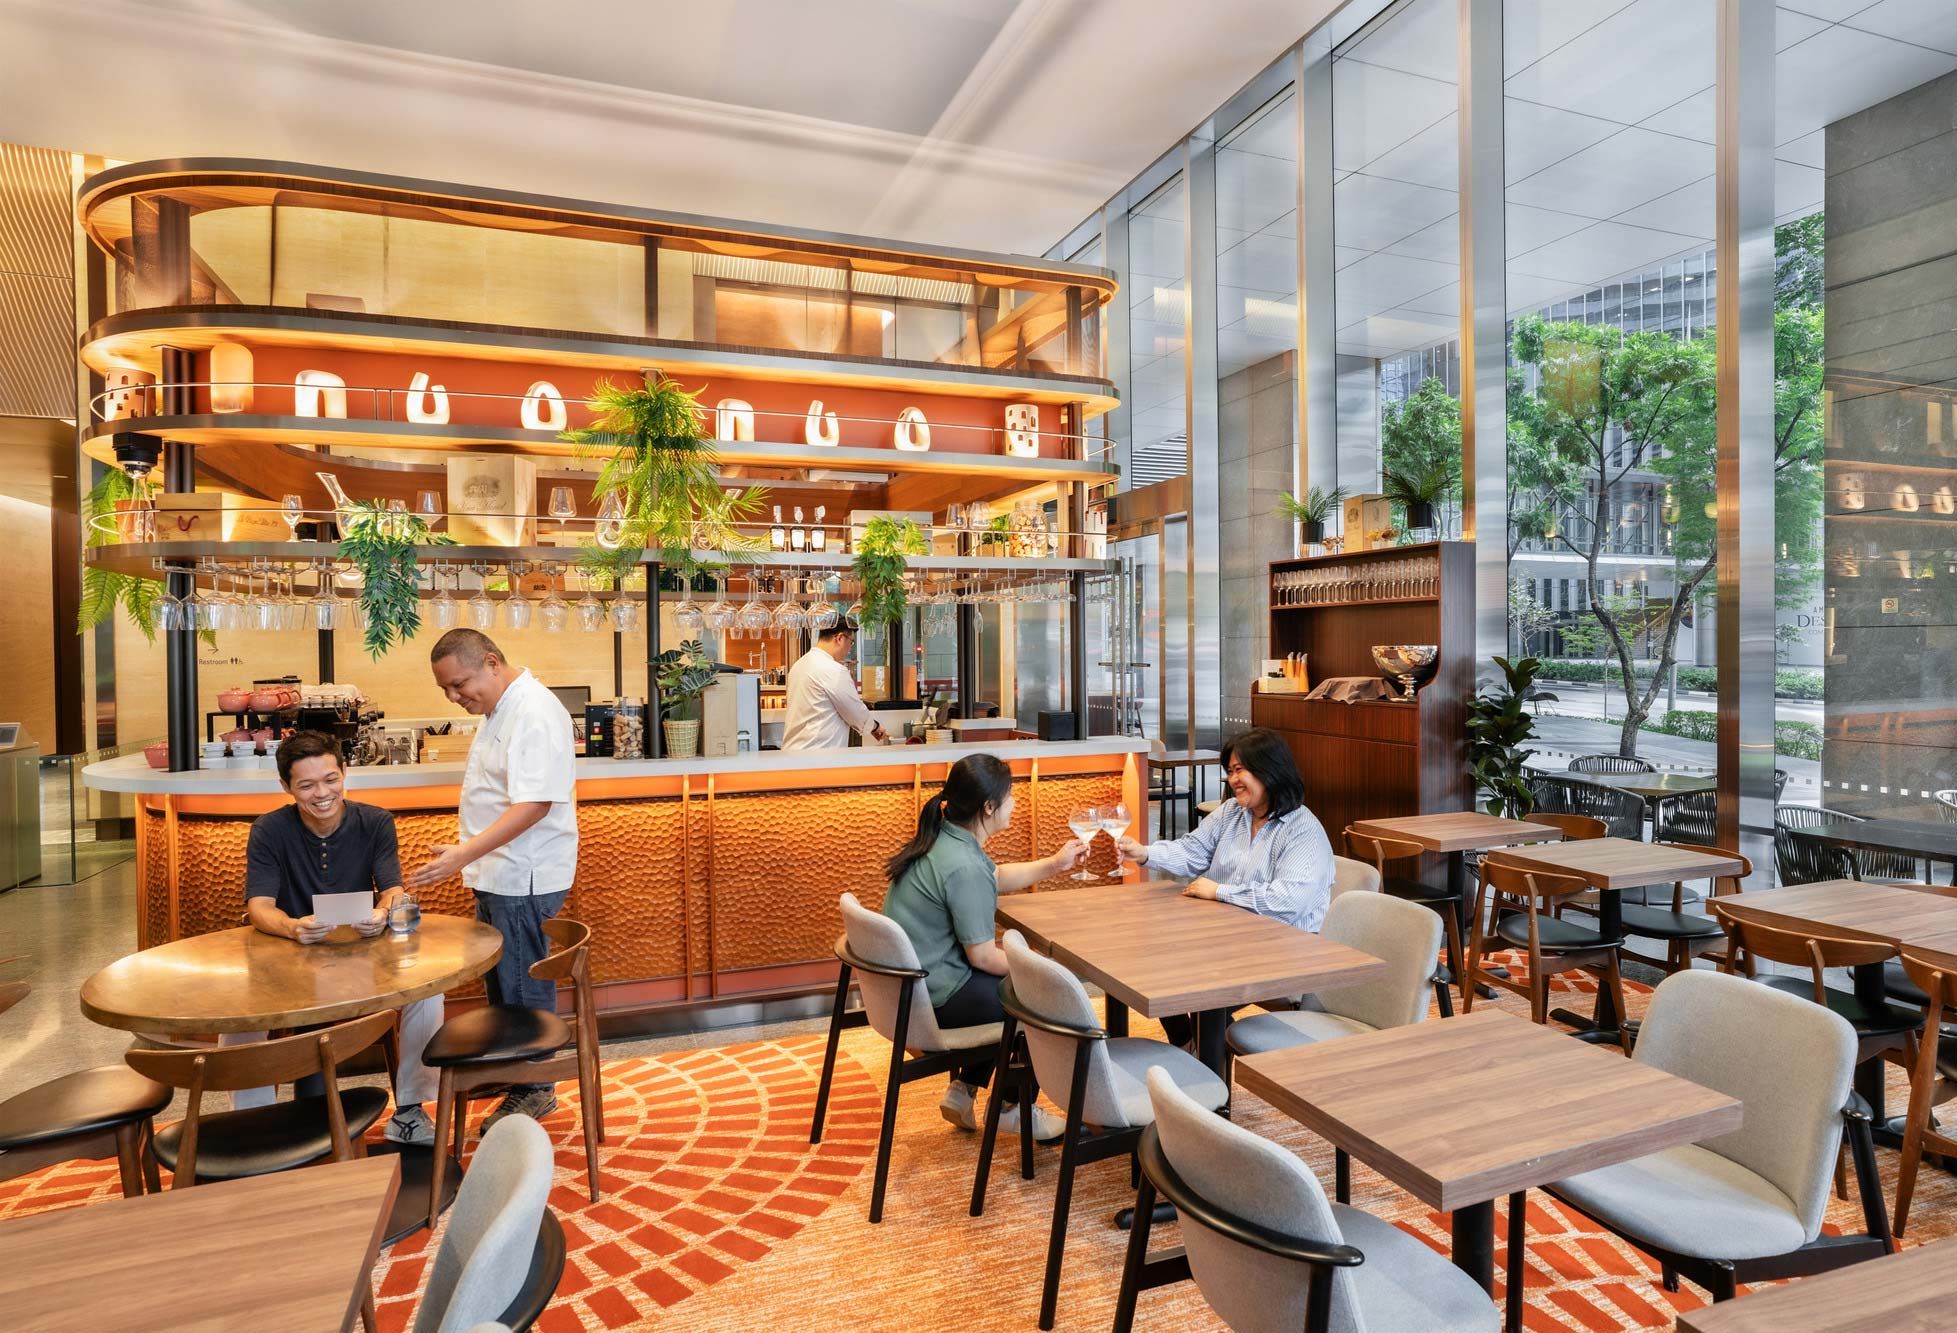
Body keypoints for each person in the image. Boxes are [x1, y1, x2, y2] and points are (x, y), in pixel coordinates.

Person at [407, 627, 578, 1130]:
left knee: (523, 987)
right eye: (446, 690)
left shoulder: (534, 710)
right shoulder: (499, 708)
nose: (455, 697)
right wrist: (468, 855)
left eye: (459, 684)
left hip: (522, 874)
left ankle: (536, 1087)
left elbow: (534, 804)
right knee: (501, 983)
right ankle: (513, 1065)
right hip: (497, 871)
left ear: (491, 662)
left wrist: (462, 855)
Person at [237, 730, 443, 1145]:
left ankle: (410, 1110)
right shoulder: (269, 830)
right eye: (307, 785)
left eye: (330, 779)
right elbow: (259, 906)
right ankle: (254, 1125)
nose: (322, 793)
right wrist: (294, 928)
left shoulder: (375, 822)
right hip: (291, 957)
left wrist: (384, 912)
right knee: (238, 1018)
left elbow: (392, 887)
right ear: (285, 787)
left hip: (364, 953)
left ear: (345, 771)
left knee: (428, 991)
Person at [879, 754, 1087, 1141]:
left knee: (1014, 985)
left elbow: (995, 876)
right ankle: (1010, 1108)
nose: (1015, 804)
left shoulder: (945, 838)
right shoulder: (962, 864)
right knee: (1039, 999)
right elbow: (983, 957)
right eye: (1010, 797)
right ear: (988, 807)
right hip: (935, 997)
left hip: (913, 987)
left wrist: (1055, 864)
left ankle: (964, 1088)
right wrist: (1046, 971)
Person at [1117, 727, 1334, 1068]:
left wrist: (1219, 891)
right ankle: (1193, 1048)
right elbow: (1192, 851)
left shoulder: (1302, 829)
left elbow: (1288, 901)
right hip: (1228, 938)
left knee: (1184, 980)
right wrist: (1144, 854)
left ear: (1270, 771)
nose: (1232, 779)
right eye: (1230, 771)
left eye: (1240, 770)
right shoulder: (1233, 812)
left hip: (1284, 949)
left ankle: (1205, 1068)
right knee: (1148, 961)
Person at [781, 617, 889, 750]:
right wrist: (875, 727)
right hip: (818, 755)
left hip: (792, 753)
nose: (849, 649)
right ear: (839, 638)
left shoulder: (799, 664)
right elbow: (854, 711)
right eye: (851, 642)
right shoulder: (833, 670)